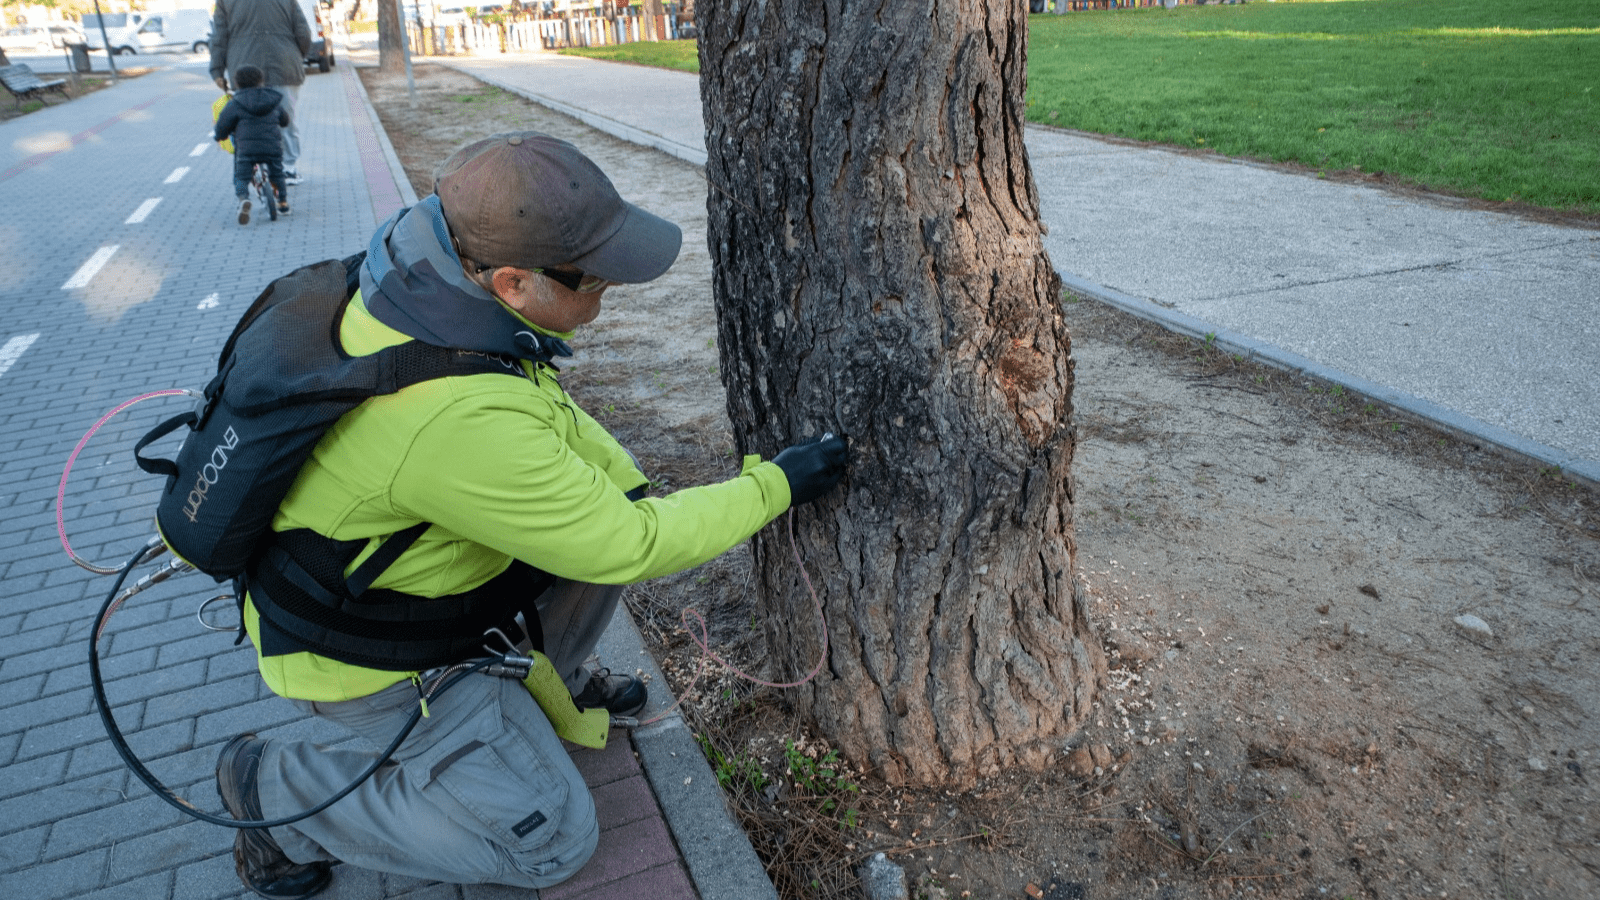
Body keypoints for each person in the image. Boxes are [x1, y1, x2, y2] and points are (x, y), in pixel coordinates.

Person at [213, 131, 849, 899]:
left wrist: (628, 490)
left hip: (410, 578)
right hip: (373, 655)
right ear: (514, 281)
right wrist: (774, 485)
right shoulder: (454, 419)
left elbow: (544, 419)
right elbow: (626, 545)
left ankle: (550, 687)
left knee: (597, 524)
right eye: (594, 277)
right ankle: (275, 796)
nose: (609, 289)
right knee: (550, 844)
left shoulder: (434, 288)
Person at [209, 0, 310, 184]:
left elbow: (219, 36)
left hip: (244, 68)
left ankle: (252, 166)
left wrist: (217, 70)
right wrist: (295, 55)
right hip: (284, 65)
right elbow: (303, 32)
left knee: (248, 118)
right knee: (286, 119)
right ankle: (288, 168)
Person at [213, 64, 291, 223]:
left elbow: (223, 124)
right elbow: (285, 120)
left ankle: (243, 199)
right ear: (261, 80)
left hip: (246, 150)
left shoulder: (235, 103)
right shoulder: (273, 99)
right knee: (277, 173)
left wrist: (219, 136)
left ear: (237, 83)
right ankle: (283, 203)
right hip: (272, 147)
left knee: (241, 176)